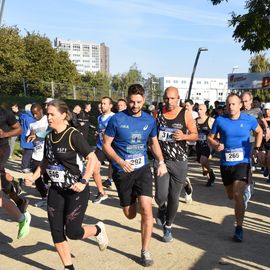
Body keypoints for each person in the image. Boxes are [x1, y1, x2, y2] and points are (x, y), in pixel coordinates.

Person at [25, 100, 108, 270]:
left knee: (73, 232)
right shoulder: (48, 137)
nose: (48, 117)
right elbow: (46, 161)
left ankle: (98, 230)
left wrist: (84, 181)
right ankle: (68, 267)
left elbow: (92, 158)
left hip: (76, 190)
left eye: (52, 114)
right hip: (56, 189)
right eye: (47, 114)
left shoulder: (73, 135)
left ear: (63, 115)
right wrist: (33, 177)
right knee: (56, 231)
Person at [103, 84, 167, 267]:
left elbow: (154, 143)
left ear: (144, 101)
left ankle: (145, 250)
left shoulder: (149, 120)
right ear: (127, 99)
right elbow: (106, 144)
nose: (135, 105)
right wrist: (120, 161)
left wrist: (161, 162)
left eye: (138, 102)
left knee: (147, 208)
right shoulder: (116, 119)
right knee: (130, 214)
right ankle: (134, 203)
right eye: (131, 101)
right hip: (122, 172)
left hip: (142, 169)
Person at [208, 93, 263, 242]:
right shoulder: (220, 120)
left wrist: (256, 149)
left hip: (242, 162)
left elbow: (259, 132)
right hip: (226, 163)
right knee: (231, 195)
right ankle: (246, 191)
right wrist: (216, 145)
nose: (231, 107)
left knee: (238, 196)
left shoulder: (249, 119)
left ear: (240, 105)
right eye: (228, 104)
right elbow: (210, 138)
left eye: (233, 104)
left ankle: (239, 228)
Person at [155, 86, 198, 242]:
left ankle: (168, 226)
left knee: (174, 196)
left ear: (178, 98)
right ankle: (161, 207)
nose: (169, 101)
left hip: (179, 161)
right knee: (160, 195)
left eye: (173, 98)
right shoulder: (158, 114)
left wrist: (184, 136)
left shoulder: (185, 114)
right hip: (162, 160)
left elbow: (195, 136)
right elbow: (154, 137)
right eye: (166, 98)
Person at [0, 105, 31, 239]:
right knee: (3, 180)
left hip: (1, 150)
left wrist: (4, 134)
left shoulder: (4, 113)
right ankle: (18, 197)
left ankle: (21, 218)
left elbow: (19, 129)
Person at [92, 97, 114, 202]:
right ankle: (101, 192)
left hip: (113, 148)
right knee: (94, 169)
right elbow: (100, 130)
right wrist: (97, 134)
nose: (102, 105)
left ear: (110, 106)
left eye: (105, 103)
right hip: (101, 147)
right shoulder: (99, 118)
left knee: (120, 174)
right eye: (101, 103)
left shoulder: (115, 117)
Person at [28, 103, 50, 207]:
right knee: (36, 177)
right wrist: (29, 136)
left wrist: (37, 135)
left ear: (41, 111)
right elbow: (28, 136)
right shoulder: (32, 125)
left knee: (49, 177)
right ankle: (44, 197)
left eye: (36, 113)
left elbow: (49, 132)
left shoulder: (47, 119)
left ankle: (53, 196)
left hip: (47, 154)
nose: (35, 116)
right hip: (36, 155)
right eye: (33, 114)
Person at [195, 104, 215, 186]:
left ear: (205, 110)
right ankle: (210, 178)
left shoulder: (211, 120)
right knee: (202, 163)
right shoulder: (194, 120)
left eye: (201, 109)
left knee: (203, 160)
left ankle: (211, 172)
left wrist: (215, 142)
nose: (199, 111)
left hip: (207, 144)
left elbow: (217, 131)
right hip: (198, 144)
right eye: (198, 109)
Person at [19, 104, 35, 173]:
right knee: (28, 152)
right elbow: (32, 127)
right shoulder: (30, 118)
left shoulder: (23, 116)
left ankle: (25, 166)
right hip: (28, 136)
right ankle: (25, 167)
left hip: (23, 135)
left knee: (26, 152)